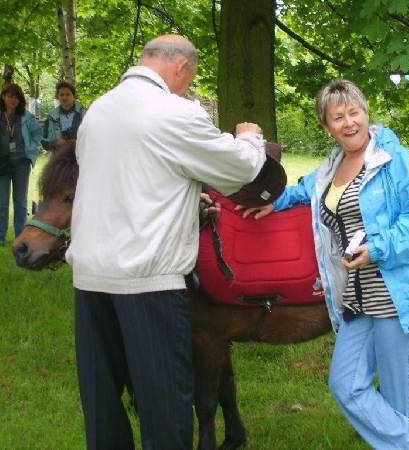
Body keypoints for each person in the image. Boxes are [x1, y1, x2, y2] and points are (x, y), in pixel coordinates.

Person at [65, 34, 267, 449]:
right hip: (148, 280)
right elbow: (240, 169)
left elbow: (134, 181)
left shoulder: (99, 110)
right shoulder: (175, 112)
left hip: (89, 276)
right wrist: (250, 136)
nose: (187, 88)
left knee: (102, 402)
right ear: (181, 67)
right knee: (165, 403)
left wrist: (188, 200)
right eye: (189, 80)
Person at [241, 79, 409, 450]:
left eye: (354, 112)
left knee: (396, 389)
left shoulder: (395, 160)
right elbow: (306, 191)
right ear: (327, 127)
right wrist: (276, 202)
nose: (349, 122)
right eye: (338, 117)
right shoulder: (332, 166)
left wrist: (379, 248)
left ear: (366, 113)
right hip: (355, 296)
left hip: (398, 293)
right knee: (345, 384)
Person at [0, 83, 42, 246]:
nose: (14, 100)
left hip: (21, 163)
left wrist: (31, 148)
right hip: (1, 164)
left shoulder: (25, 116)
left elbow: (37, 132)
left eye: (17, 97)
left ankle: (20, 235)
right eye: (10, 96)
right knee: (2, 202)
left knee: (20, 202)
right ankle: (1, 236)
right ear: (3, 96)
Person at [41, 81, 87, 151]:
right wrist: (56, 142)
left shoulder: (85, 114)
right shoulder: (51, 117)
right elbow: (44, 142)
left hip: (82, 155)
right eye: (61, 95)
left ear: (74, 96)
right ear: (57, 97)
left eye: (68, 94)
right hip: (60, 155)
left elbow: (94, 137)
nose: (64, 97)